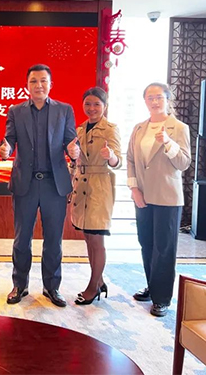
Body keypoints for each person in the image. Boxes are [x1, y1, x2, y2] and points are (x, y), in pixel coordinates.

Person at [0, 63, 78, 307]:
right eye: (33, 81)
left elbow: (70, 140)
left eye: (43, 81)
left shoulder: (64, 110)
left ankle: (52, 287)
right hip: (26, 182)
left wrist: (73, 150)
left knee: (53, 239)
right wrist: (6, 149)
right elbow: (9, 139)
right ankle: (19, 285)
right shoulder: (16, 111)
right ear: (27, 85)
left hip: (54, 184)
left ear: (50, 84)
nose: (39, 85)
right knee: (22, 238)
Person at [127, 82, 191, 317]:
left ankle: (162, 298)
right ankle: (152, 286)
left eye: (159, 97)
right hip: (142, 195)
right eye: (150, 98)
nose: (154, 102)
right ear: (145, 101)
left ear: (167, 99)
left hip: (167, 197)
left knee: (164, 248)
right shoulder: (139, 128)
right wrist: (134, 189)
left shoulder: (179, 128)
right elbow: (130, 160)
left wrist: (168, 142)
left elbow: (184, 163)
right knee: (146, 243)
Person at [69, 87, 122, 306]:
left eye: (97, 104)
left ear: (105, 106)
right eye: (88, 104)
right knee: (88, 237)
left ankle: (93, 287)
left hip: (99, 188)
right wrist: (72, 158)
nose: (92, 108)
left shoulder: (110, 129)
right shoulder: (80, 129)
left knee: (97, 238)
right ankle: (99, 281)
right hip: (81, 186)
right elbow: (76, 159)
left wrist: (110, 156)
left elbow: (118, 162)